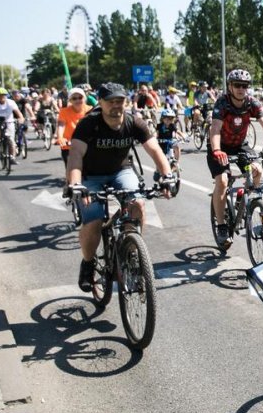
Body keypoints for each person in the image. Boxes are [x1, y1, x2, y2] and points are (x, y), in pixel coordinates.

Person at [66, 83, 175, 292]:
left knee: (137, 203)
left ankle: (132, 251)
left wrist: (167, 176)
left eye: (120, 101)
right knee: (94, 220)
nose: (116, 105)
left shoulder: (134, 122)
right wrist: (76, 184)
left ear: (126, 101)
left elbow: (155, 150)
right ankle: (88, 263)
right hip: (90, 176)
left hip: (120, 171)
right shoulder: (89, 123)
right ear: (100, 102)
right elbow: (76, 155)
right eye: (111, 101)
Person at [208, 69, 263, 247]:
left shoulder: (252, 103)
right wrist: (217, 150)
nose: (242, 89)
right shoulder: (222, 103)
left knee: (256, 170)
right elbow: (216, 129)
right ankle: (221, 226)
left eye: (245, 86)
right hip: (219, 146)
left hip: (239, 145)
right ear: (230, 86)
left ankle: (246, 197)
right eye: (237, 85)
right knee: (223, 181)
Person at [0, 88, 26, 163]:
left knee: (11, 140)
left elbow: (18, 112)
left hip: (9, 121)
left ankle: (12, 157)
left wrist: (21, 118)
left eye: (4, 95)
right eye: (0, 95)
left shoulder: (11, 102)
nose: (2, 97)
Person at [56, 87, 93, 169]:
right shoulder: (64, 111)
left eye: (80, 97)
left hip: (86, 144)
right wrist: (60, 137)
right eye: (74, 98)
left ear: (84, 98)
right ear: (70, 100)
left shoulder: (90, 110)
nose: (77, 100)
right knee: (71, 168)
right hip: (69, 144)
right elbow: (61, 125)